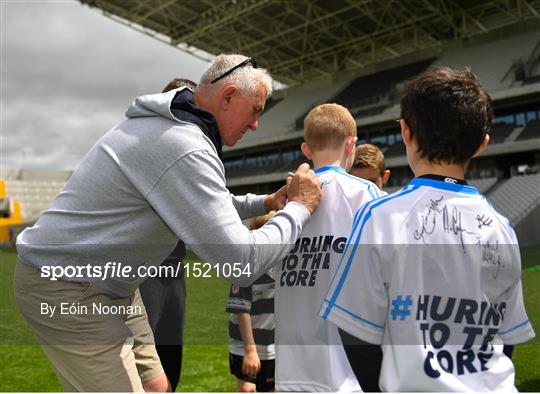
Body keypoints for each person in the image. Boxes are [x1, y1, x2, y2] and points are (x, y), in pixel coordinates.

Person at [14, 54, 321, 392]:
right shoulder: (184, 146)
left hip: (112, 286)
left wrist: (266, 203)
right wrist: (300, 208)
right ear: (229, 95)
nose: (255, 125)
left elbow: (202, 207)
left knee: (159, 387)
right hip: (68, 285)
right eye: (256, 111)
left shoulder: (176, 127)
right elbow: (241, 262)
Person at [319, 67, 535, 391]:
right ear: (482, 144)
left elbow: (355, 333)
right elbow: (506, 337)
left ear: (405, 132)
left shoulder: (378, 217)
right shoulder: (502, 229)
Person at [275, 103, 384, 392]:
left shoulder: (289, 198)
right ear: (352, 144)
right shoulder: (365, 192)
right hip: (345, 367)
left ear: (306, 149)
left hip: (292, 365)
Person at [137, 78, 196, 391]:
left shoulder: (194, 148)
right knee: (143, 367)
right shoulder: (148, 144)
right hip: (143, 271)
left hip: (174, 272)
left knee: (171, 363)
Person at [227, 211, 277, 393]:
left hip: (273, 348)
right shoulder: (246, 270)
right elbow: (242, 311)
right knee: (248, 389)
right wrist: (250, 351)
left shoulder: (284, 269)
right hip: (246, 346)